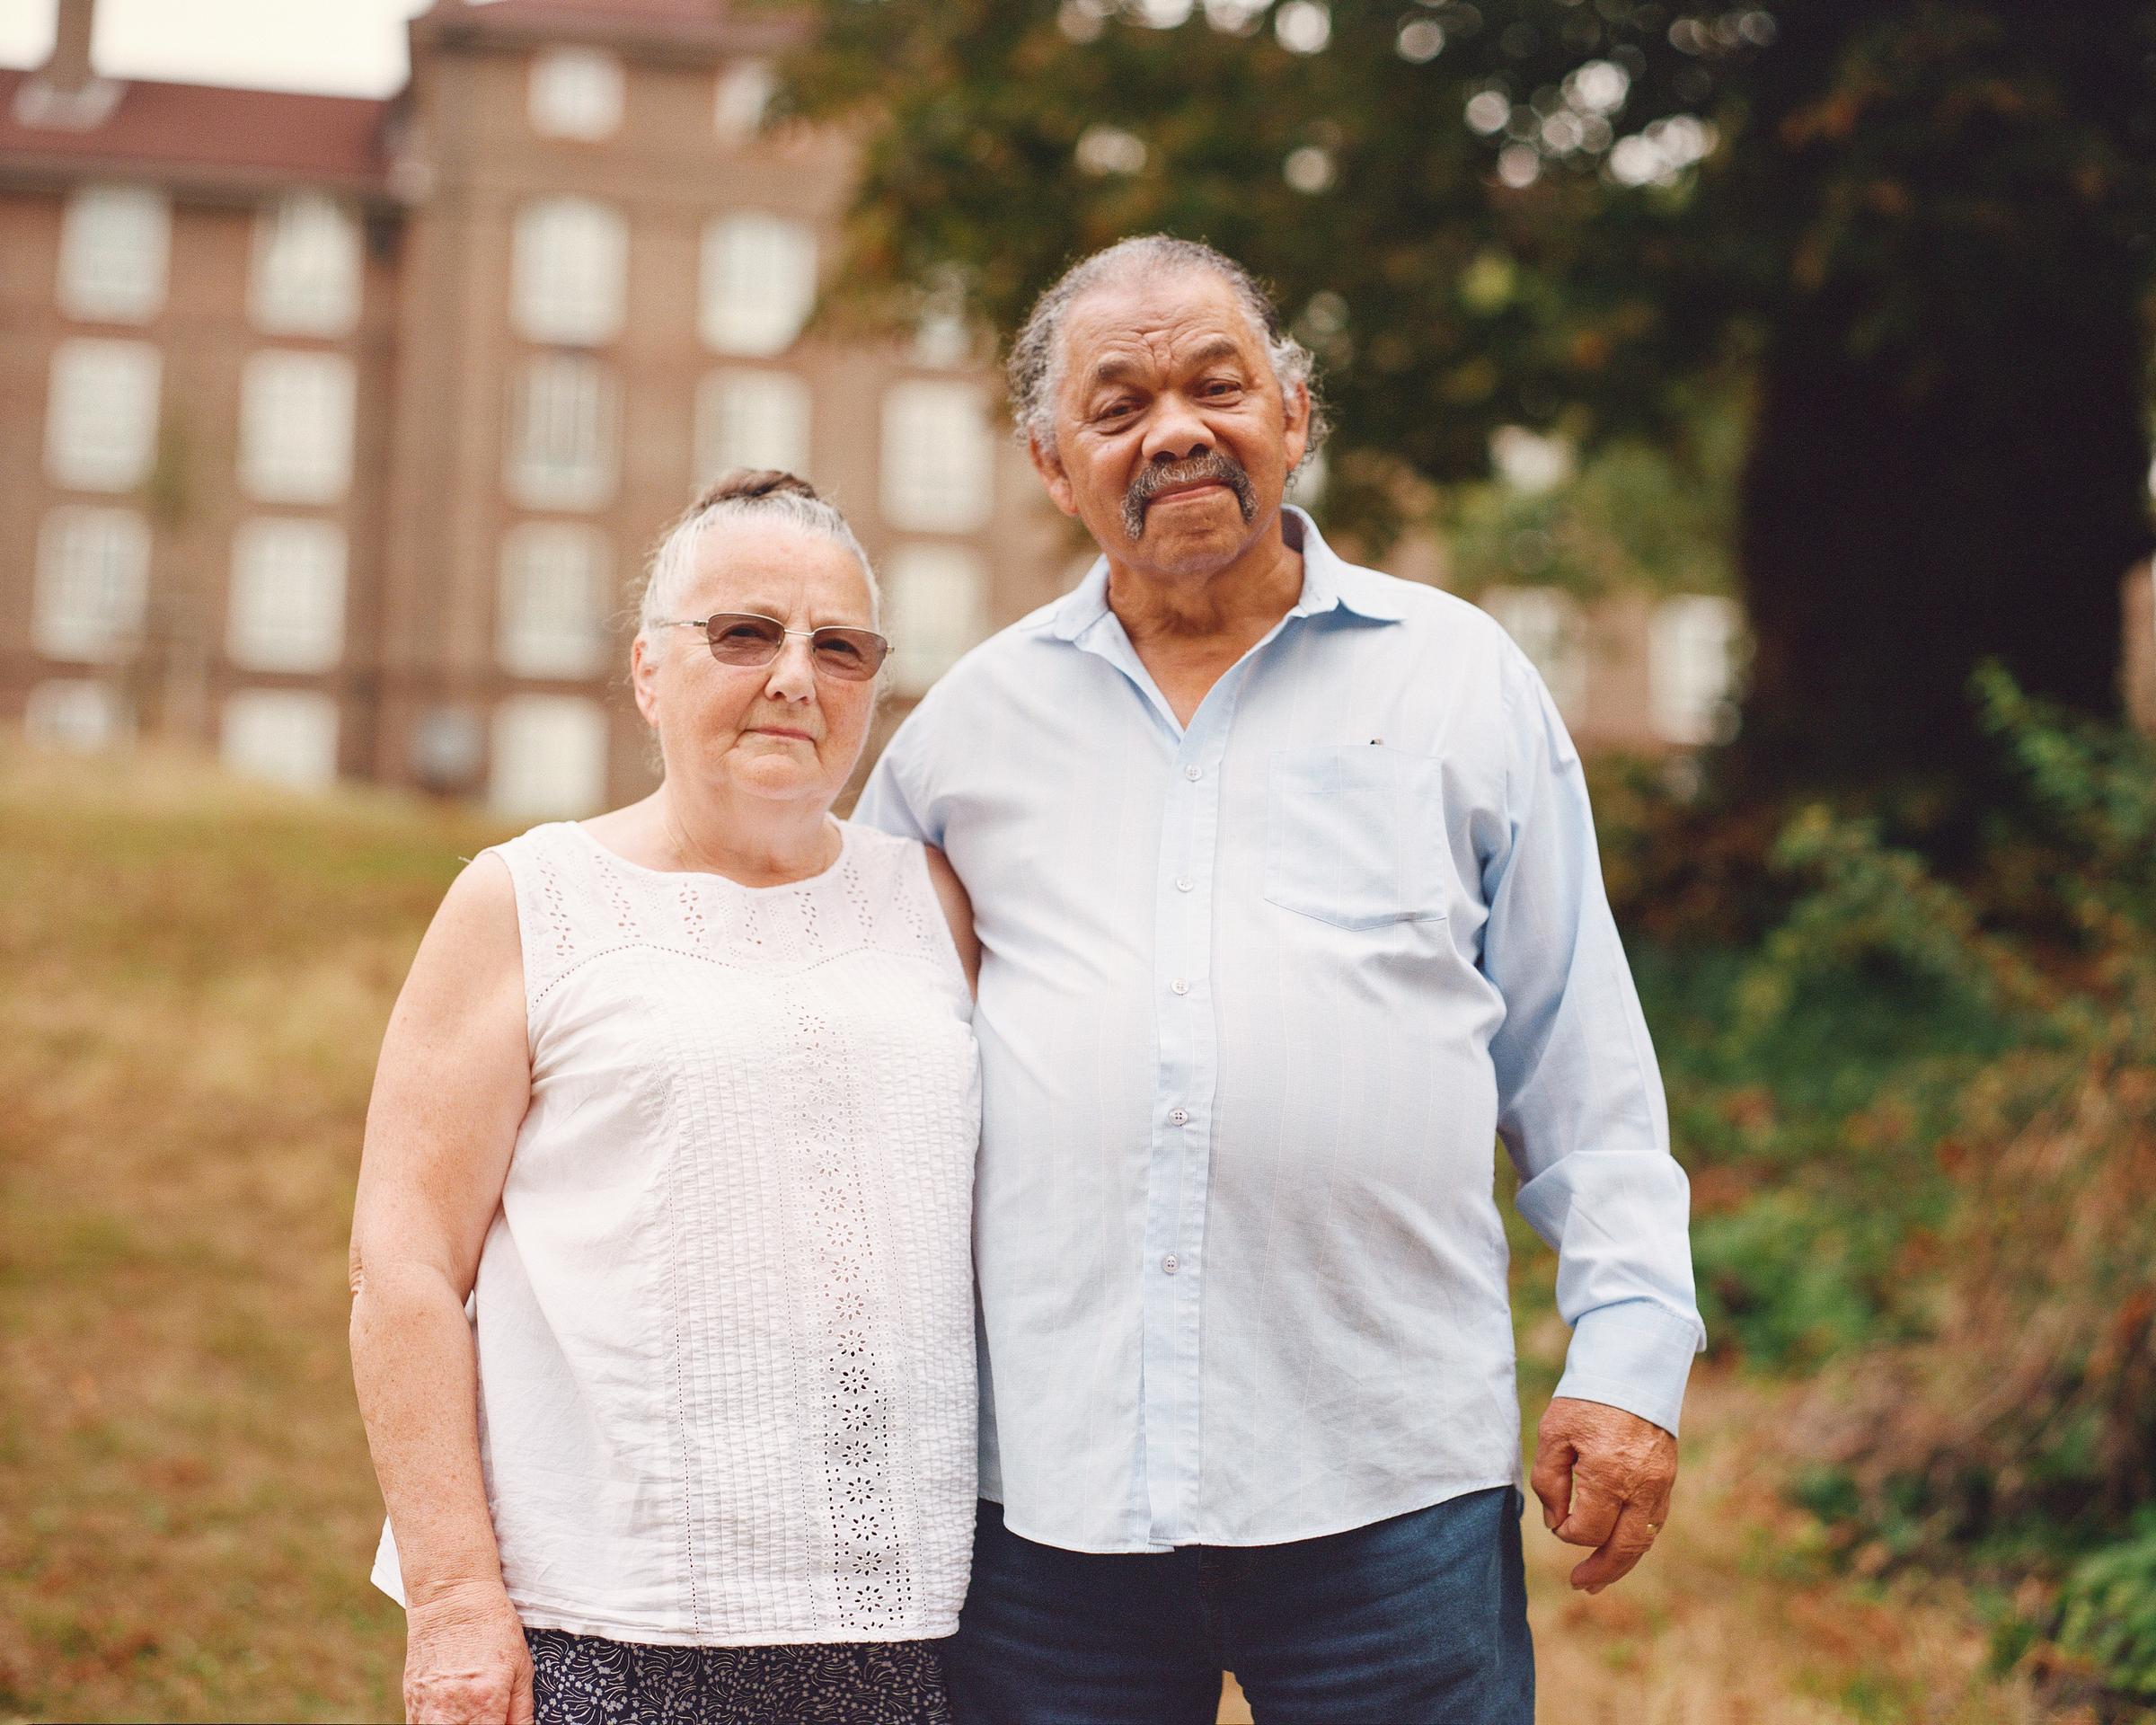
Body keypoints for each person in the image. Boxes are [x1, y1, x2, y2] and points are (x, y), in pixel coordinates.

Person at [854, 236, 1707, 1724]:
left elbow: (1588, 1074)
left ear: (1294, 414)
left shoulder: (1463, 683)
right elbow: (848, 1077)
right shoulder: (961, 739)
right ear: (1055, 469)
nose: (1173, 428)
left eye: (1216, 383)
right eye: (1117, 407)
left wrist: (1630, 1357)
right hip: (1048, 1506)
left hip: (1389, 1486)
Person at [349, 471, 982, 1725]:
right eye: (744, 633)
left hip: (912, 1628)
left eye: (839, 646)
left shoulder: (937, 905)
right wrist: (456, 1599)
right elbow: (404, 1263)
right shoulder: (528, 900)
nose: (796, 676)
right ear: (649, 671)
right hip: (608, 1632)